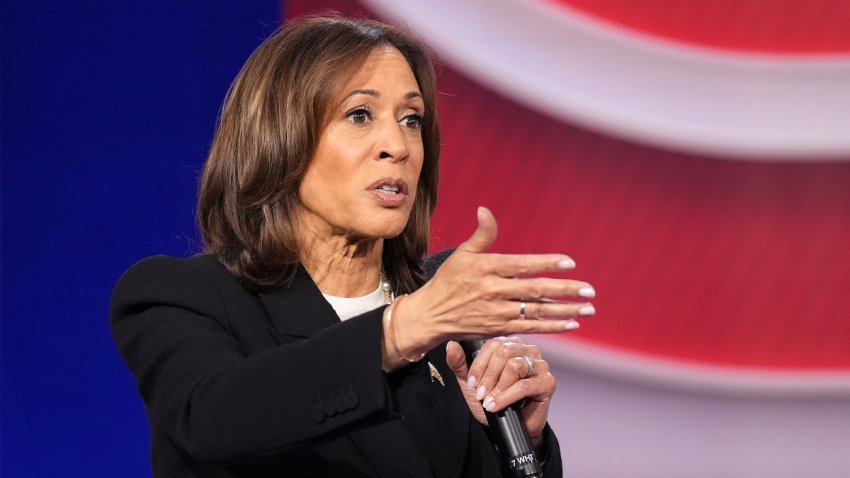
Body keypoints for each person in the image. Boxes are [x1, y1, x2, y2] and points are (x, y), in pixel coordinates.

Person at [110, 14, 596, 478]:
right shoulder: (182, 296)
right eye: (359, 114)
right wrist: (402, 329)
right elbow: (214, 416)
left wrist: (521, 444)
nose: (398, 146)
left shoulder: (443, 325)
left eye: (411, 119)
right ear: (280, 139)